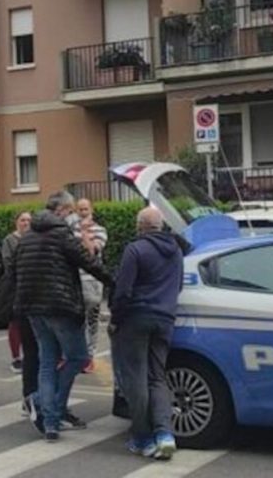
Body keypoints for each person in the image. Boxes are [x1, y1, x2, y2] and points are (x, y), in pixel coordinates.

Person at [12, 191, 113, 442]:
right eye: (71, 212)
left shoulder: (28, 236)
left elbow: (15, 270)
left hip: (33, 308)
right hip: (60, 306)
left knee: (47, 362)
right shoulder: (61, 233)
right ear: (63, 210)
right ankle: (52, 409)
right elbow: (88, 261)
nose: (73, 217)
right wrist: (116, 282)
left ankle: (50, 423)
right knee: (78, 357)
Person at [110, 207, 183, 460]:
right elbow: (179, 285)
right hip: (165, 318)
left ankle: (142, 436)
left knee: (135, 379)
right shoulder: (176, 251)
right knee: (157, 377)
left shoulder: (135, 250)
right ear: (161, 226)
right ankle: (165, 434)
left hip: (136, 318)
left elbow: (123, 291)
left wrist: (115, 320)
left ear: (140, 226)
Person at [75, 199, 108, 373]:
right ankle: (78, 356)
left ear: (91, 210)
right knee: (76, 320)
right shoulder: (70, 230)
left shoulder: (100, 231)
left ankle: (90, 356)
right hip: (75, 280)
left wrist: (84, 233)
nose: (83, 212)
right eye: (80, 209)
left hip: (92, 281)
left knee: (91, 320)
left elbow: (91, 252)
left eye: (85, 209)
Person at [1, 211, 32, 374]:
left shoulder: (33, 238)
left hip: (32, 287)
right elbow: (8, 264)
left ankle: (30, 354)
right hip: (16, 286)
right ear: (16, 222)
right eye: (22, 220)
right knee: (15, 322)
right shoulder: (9, 240)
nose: (26, 223)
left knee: (30, 322)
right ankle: (15, 357)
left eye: (28, 220)